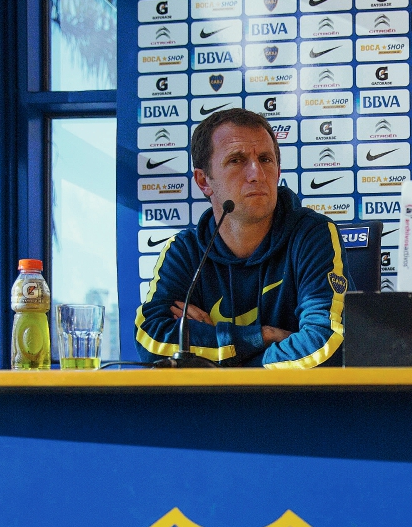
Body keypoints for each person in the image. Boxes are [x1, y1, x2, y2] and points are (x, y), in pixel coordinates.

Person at [135, 108, 347, 367]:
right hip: (208, 408)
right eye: (237, 160)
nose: (256, 174)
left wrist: (216, 357)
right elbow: (151, 341)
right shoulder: (184, 251)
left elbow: (325, 344)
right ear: (204, 181)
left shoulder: (313, 236)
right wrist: (263, 336)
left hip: (294, 405)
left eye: (266, 159)